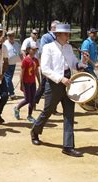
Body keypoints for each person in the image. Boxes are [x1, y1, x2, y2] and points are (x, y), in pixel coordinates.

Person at [30, 23, 89, 157]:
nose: (68, 36)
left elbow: (75, 64)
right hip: (54, 83)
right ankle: (35, 130)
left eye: (68, 34)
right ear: (58, 35)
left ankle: (68, 146)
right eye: (66, 34)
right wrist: (60, 79)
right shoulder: (48, 48)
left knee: (69, 114)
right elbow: (45, 69)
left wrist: (83, 62)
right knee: (48, 111)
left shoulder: (68, 47)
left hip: (69, 82)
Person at [34, 20, 59, 106]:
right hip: (47, 66)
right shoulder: (46, 37)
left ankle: (53, 107)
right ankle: (33, 102)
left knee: (55, 87)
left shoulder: (58, 37)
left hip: (55, 66)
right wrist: (42, 66)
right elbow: (41, 52)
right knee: (43, 86)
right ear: (53, 28)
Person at [13, 42, 40, 123]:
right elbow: (22, 72)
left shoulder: (35, 60)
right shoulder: (26, 60)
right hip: (26, 82)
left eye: (36, 49)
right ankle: (17, 108)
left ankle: (30, 115)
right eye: (33, 49)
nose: (35, 51)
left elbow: (36, 71)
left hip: (32, 82)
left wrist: (39, 81)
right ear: (28, 50)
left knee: (32, 99)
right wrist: (21, 83)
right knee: (27, 99)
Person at [3, 30, 21, 100]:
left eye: (12, 35)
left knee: (9, 79)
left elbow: (20, 53)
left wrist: (24, 61)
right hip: (6, 63)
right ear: (7, 36)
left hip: (13, 64)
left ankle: (7, 91)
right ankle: (11, 93)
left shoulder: (17, 44)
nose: (11, 37)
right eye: (9, 35)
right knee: (8, 79)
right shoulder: (5, 44)